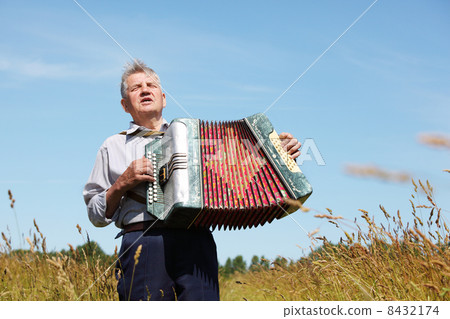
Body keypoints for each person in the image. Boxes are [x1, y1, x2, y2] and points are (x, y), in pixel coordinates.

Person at [83, 60, 302, 301]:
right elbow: (95, 215)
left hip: (196, 238)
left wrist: (276, 155)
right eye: (136, 88)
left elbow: (241, 172)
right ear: (125, 105)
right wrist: (121, 183)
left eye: (151, 85)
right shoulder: (112, 145)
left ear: (163, 98)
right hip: (144, 241)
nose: (145, 90)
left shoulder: (197, 139)